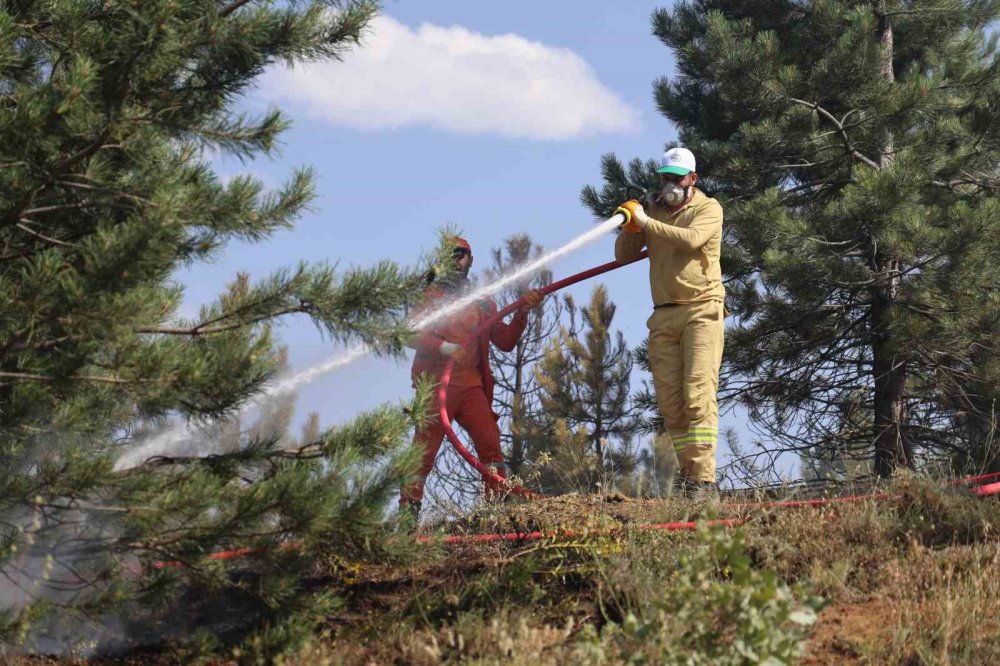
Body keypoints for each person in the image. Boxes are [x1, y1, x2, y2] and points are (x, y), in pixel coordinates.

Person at [400, 237, 543, 519]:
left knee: (491, 447)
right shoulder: (429, 298)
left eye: (463, 254)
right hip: (436, 388)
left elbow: (504, 341)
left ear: (470, 260)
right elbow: (408, 333)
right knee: (422, 455)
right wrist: (442, 347)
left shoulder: (482, 302)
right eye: (452, 255)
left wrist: (522, 313)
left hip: (471, 389)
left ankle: (496, 516)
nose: (458, 259)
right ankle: (407, 519)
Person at [613, 147, 725, 497]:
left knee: (698, 395)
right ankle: (691, 479)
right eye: (666, 177)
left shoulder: (708, 209)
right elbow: (624, 256)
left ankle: (705, 478)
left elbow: (691, 240)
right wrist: (633, 224)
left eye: (678, 177)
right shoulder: (654, 211)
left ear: (693, 179)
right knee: (672, 405)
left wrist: (647, 222)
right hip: (663, 314)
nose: (671, 183)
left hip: (702, 310)